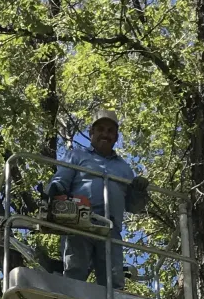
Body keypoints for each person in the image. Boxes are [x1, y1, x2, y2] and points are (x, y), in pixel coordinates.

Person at [46, 111, 146, 288]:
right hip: (79, 222)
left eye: (110, 131)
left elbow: (133, 206)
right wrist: (53, 191)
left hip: (109, 228)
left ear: (116, 137)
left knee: (113, 281)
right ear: (91, 133)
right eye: (100, 129)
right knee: (75, 271)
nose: (105, 134)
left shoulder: (124, 168)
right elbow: (61, 180)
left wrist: (138, 192)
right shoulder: (76, 155)